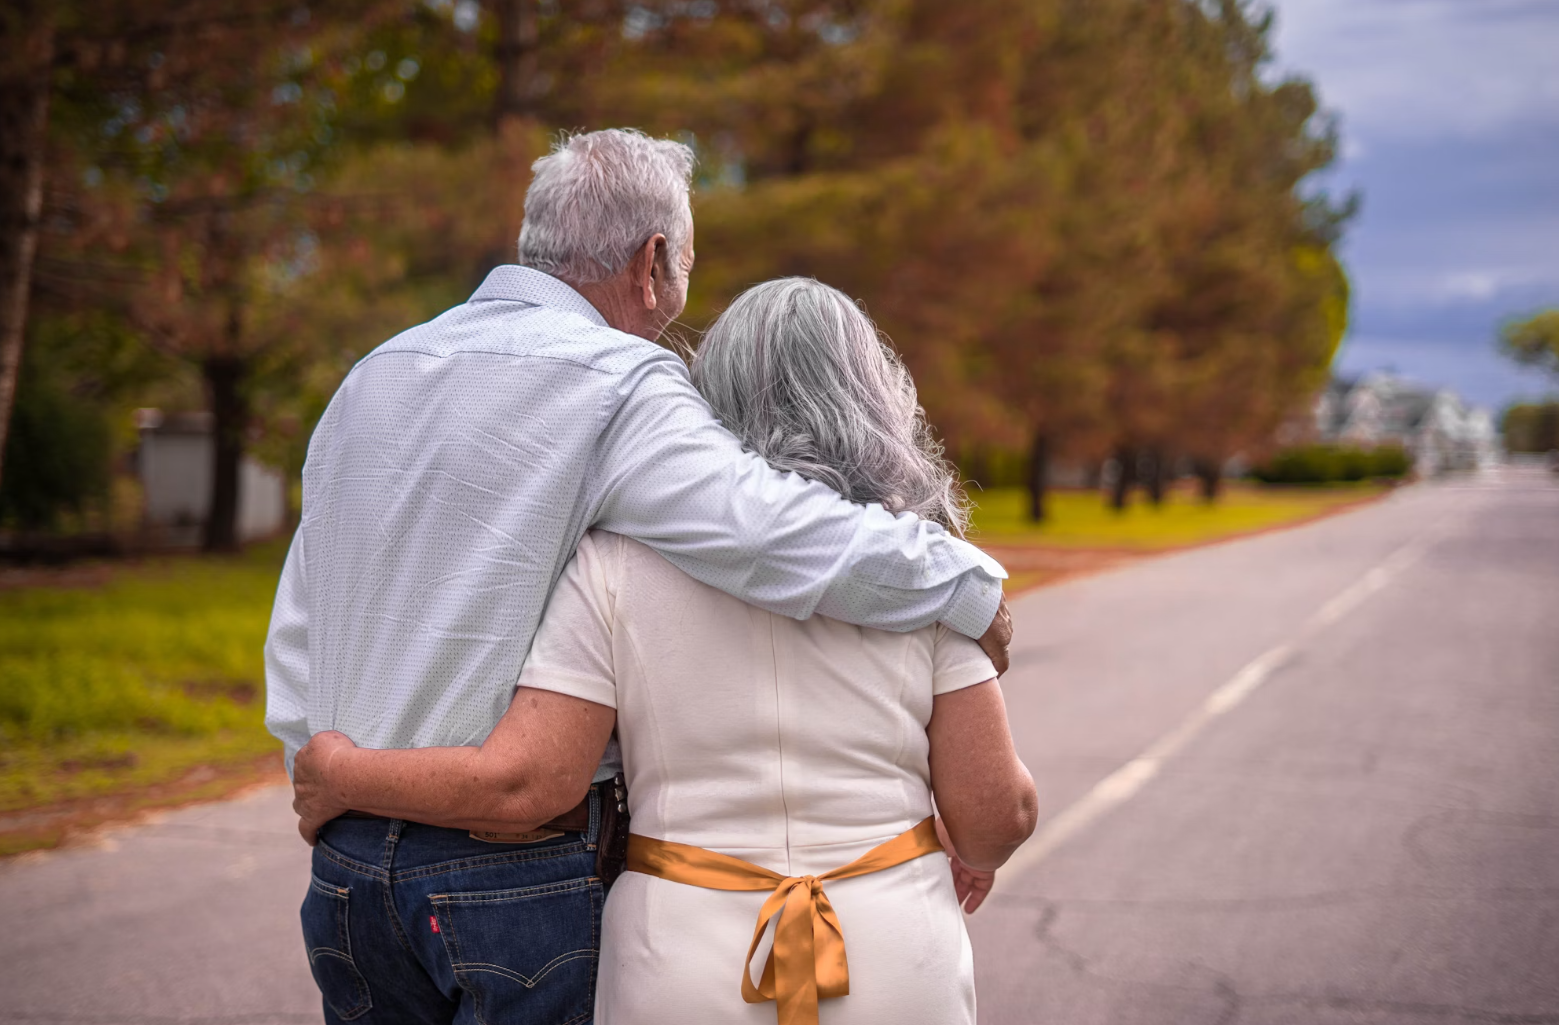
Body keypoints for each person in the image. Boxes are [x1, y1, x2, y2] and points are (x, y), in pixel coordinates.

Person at [265, 129, 1012, 1025]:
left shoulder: (373, 375)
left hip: (347, 868)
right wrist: (965, 582)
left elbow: (303, 615)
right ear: (652, 262)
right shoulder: (622, 382)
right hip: (511, 875)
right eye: (686, 266)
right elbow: (769, 533)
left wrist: (325, 774)